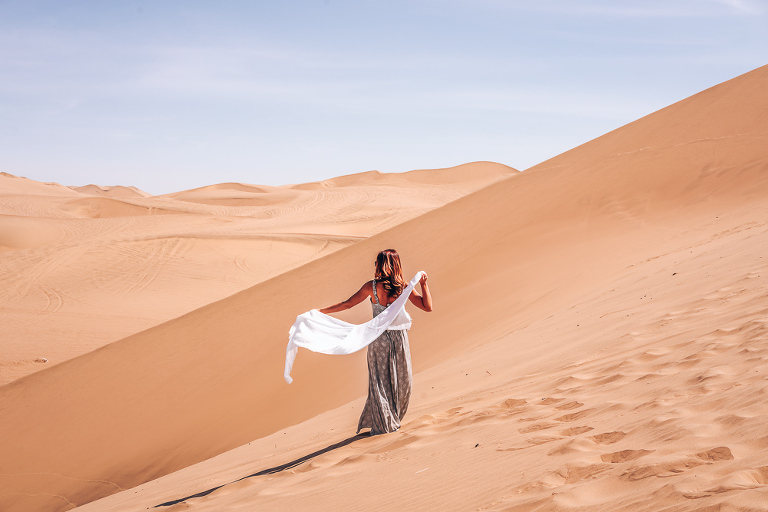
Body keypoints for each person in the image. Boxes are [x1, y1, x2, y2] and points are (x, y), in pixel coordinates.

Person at [319, 249, 432, 435]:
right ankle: (390, 421)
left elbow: (347, 304)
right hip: (397, 338)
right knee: (403, 379)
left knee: (380, 381)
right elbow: (427, 307)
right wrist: (424, 285)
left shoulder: (372, 287)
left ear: (380, 265)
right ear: (397, 264)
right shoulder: (403, 287)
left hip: (378, 339)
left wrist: (322, 311)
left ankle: (387, 422)